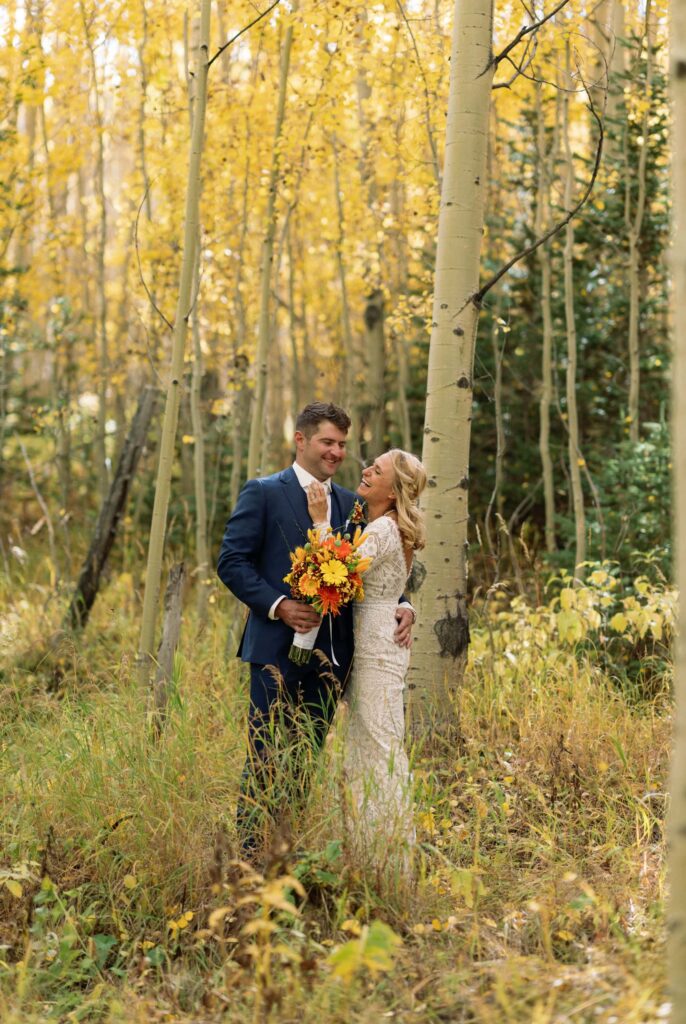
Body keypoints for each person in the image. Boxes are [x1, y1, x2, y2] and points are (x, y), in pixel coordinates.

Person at [217, 402, 414, 856]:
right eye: (328, 442)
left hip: (334, 660)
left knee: (305, 762)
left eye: (343, 445)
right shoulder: (264, 492)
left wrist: (403, 604)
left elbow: (369, 573)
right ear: (301, 440)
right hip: (274, 651)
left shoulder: (352, 503)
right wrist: (279, 605)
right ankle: (250, 863)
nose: (336, 453)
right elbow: (232, 562)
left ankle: (283, 854)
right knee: (265, 758)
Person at [306, 448, 426, 868]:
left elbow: (334, 573)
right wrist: (408, 605)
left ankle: (389, 861)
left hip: (377, 649)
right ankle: (364, 854)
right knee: (365, 747)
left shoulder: (383, 529)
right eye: (370, 465)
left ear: (394, 492)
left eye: (377, 470)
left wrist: (321, 523)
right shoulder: (381, 525)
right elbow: (391, 585)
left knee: (379, 748)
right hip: (375, 642)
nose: (366, 470)